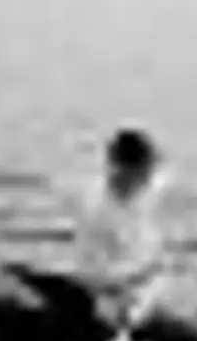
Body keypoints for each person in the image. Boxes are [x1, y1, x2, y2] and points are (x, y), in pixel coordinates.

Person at [67, 128, 184, 329]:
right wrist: (127, 297)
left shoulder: (150, 187)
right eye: (145, 171)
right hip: (112, 305)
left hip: (145, 294)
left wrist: (156, 274)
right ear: (124, 170)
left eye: (150, 169)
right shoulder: (97, 212)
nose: (150, 176)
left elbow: (165, 182)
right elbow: (93, 277)